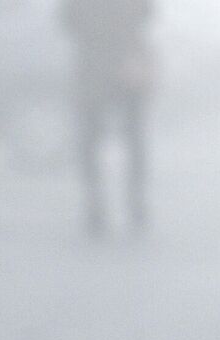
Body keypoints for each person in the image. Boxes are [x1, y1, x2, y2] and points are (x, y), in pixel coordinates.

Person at [59, 0, 156, 237]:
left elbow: (67, 20)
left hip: (95, 63)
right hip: (125, 59)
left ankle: (97, 202)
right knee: (131, 137)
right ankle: (133, 201)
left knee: (92, 138)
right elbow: (146, 12)